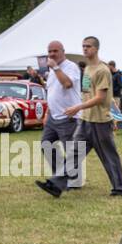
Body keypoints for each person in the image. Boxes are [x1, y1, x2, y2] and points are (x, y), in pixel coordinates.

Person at [38, 35, 122, 197]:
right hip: (85, 120)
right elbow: (86, 94)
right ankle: (56, 185)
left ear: (96, 49)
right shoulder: (86, 69)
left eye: (88, 46)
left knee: (108, 155)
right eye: (83, 46)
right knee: (73, 154)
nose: (85, 49)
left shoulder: (102, 70)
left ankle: (120, 188)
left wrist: (77, 107)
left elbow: (100, 97)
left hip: (100, 121)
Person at [34, 40, 83, 195]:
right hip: (53, 118)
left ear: (63, 51)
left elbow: (67, 84)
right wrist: (47, 113)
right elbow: (52, 93)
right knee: (46, 144)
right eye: (49, 51)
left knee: (71, 151)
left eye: (55, 51)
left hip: (68, 116)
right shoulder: (51, 71)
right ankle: (60, 179)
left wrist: (55, 67)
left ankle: (74, 181)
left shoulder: (71, 67)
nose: (52, 54)